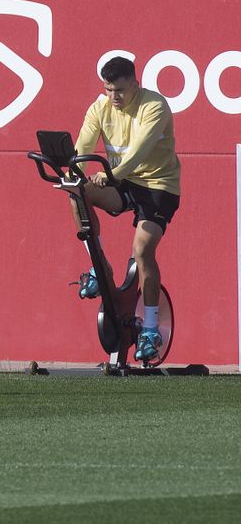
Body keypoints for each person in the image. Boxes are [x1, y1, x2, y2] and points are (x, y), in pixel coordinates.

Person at [73, 55, 180, 360]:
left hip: (159, 187)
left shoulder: (154, 106)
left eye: (119, 90)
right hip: (122, 182)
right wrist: (73, 175)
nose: (113, 96)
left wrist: (111, 175)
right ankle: (99, 268)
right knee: (76, 193)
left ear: (135, 84)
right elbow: (82, 148)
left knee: (142, 251)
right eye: (108, 90)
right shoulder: (100, 107)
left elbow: (137, 154)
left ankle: (150, 329)